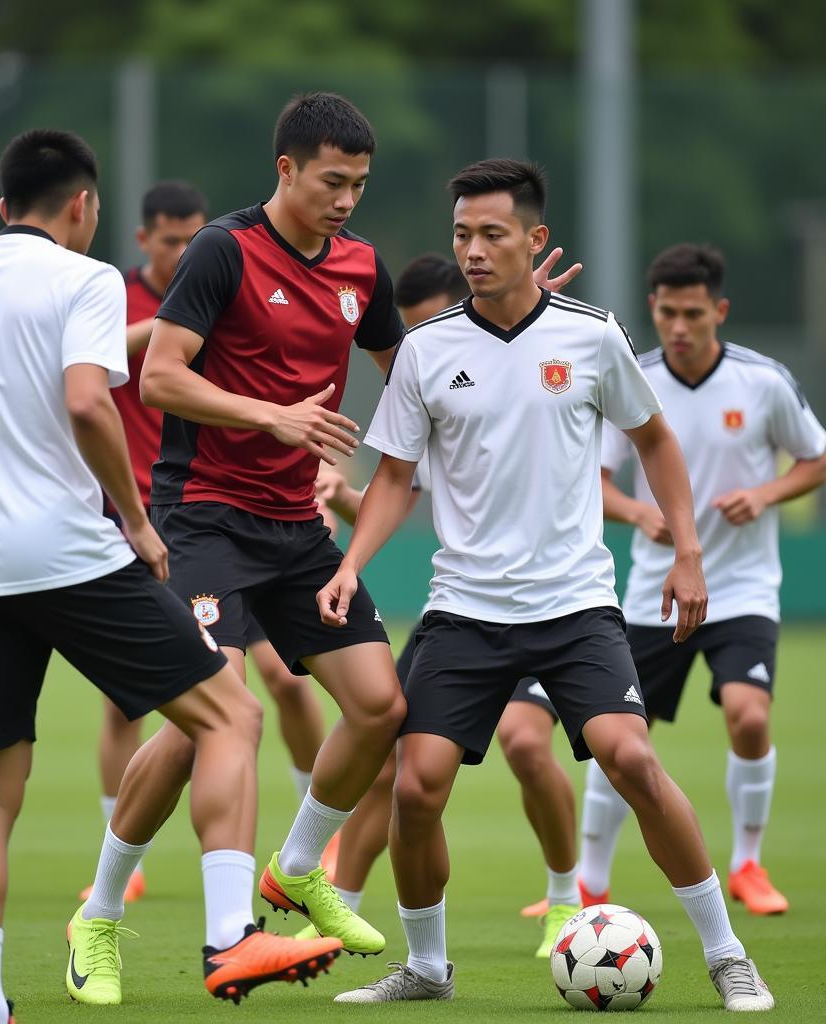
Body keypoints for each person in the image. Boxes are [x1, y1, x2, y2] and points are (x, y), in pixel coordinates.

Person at [0, 129, 340, 1024]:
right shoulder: (89, 278)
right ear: (83, 206)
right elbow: (85, 399)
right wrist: (137, 520)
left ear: (0, 207)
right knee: (231, 715)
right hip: (71, 554)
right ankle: (230, 937)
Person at [324, 159, 773, 1011]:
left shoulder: (592, 334)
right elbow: (391, 479)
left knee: (632, 758)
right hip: (462, 611)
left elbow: (656, 443)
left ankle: (726, 955)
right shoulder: (426, 350)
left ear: (534, 240)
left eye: (493, 234)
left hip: (574, 608)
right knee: (416, 786)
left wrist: (687, 552)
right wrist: (352, 564)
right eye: (462, 235)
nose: (475, 251)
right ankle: (426, 969)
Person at [71, 93, 410, 994]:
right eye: (332, 182)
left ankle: (297, 869)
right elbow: (159, 377)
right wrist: (274, 418)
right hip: (206, 518)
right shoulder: (223, 249)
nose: (346, 200)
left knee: (380, 707)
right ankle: (101, 916)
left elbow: (405, 370)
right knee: (215, 725)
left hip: (298, 527)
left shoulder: (362, 268)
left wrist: (517, 315)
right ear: (286, 170)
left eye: (361, 186)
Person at [308, 251, 585, 959]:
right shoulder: (430, 374)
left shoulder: (532, 348)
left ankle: (564, 899)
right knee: (389, 767)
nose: (417, 349)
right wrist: (338, 500)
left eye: (430, 327)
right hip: (465, 603)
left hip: (550, 596)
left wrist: (531, 321)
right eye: (407, 336)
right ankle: (338, 914)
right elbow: (405, 485)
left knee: (526, 744)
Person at [81, 179, 333, 902]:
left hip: (240, 516)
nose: (186, 252)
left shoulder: (233, 280)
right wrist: (175, 320)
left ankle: (309, 841)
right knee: (152, 704)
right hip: (144, 514)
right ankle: (121, 875)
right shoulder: (116, 300)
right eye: (171, 242)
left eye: (196, 238)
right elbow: (103, 372)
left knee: (282, 684)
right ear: (144, 241)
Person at [580, 243, 826, 915]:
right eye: (666, 314)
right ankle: (588, 884)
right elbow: (594, 484)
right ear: (653, 311)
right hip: (653, 595)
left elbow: (816, 457)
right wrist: (639, 513)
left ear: (718, 310)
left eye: (692, 314)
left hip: (742, 587)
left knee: (749, 715)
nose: (679, 328)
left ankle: (748, 862)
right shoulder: (633, 380)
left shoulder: (763, 381)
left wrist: (767, 495)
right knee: (621, 738)